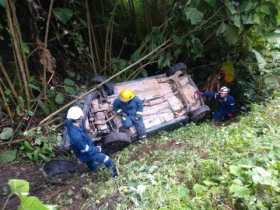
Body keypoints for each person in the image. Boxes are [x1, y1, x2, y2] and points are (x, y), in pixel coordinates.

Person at [65, 106, 118, 177]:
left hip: (80, 152)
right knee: (107, 159)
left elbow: (67, 121)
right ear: (79, 118)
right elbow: (86, 150)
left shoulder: (69, 123)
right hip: (87, 153)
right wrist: (97, 149)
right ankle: (115, 176)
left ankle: (94, 170)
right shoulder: (76, 137)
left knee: (90, 162)